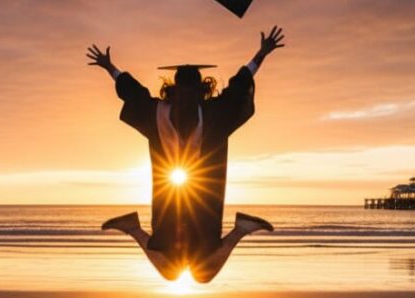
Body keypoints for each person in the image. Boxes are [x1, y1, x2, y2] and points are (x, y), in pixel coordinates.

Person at [86, 27, 285, 283]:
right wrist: (260, 54)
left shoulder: (158, 113)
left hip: (175, 204)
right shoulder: (214, 114)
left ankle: (134, 228)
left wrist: (110, 67)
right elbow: (238, 88)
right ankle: (241, 229)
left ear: (175, 88)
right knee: (192, 272)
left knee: (188, 272)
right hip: (198, 204)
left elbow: (133, 92)